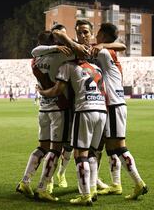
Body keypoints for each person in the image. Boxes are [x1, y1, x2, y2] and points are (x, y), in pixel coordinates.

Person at [52, 20, 126, 192]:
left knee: (96, 147)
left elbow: (121, 45)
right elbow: (55, 33)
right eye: (79, 32)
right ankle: (59, 175)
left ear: (92, 34)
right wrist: (70, 41)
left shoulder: (96, 48)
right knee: (70, 145)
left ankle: (92, 181)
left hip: (99, 104)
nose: (83, 35)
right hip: (77, 103)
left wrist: (102, 45)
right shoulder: (74, 48)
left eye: (86, 32)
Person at [16, 26, 76, 202]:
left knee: (42, 147)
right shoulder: (60, 56)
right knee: (55, 149)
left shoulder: (34, 60)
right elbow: (79, 52)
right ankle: (43, 187)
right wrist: (61, 43)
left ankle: (25, 181)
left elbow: (35, 50)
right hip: (59, 108)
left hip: (43, 108)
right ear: (54, 42)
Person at [38, 57, 107, 206]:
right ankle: (93, 189)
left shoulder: (68, 65)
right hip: (102, 110)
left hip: (84, 110)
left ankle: (85, 195)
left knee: (79, 154)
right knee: (93, 153)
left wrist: (42, 92)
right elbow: (104, 91)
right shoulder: (97, 68)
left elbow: (57, 90)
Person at [93, 22, 148, 200]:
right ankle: (116, 184)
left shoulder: (103, 52)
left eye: (97, 33)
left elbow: (87, 50)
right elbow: (120, 45)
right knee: (111, 149)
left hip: (114, 105)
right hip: (114, 105)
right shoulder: (109, 51)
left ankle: (139, 183)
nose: (95, 35)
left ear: (102, 35)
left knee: (120, 147)